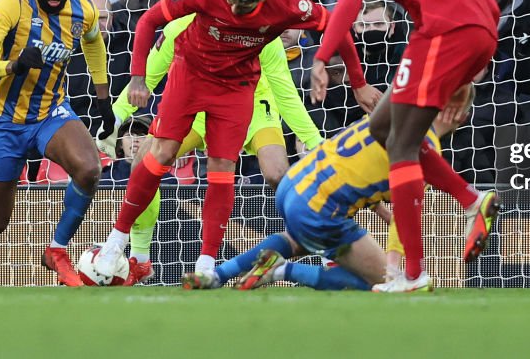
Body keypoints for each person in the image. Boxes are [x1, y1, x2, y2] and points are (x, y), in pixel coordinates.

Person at [93, 0, 380, 280]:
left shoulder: (287, 3)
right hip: (190, 77)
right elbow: (147, 22)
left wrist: (357, 83)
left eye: (244, 7)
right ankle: (119, 245)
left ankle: (205, 264)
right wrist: (135, 80)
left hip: (238, 90)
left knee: (229, 168)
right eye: (231, 0)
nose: (235, 10)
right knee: (156, 154)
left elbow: (334, 26)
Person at [312, 0, 501, 293]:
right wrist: (469, 67)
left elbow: (350, 0)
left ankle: (411, 274)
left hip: (443, 32)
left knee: (400, 143)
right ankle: (471, 200)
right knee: (383, 127)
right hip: (479, 28)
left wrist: (322, 56)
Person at [105, 6, 327, 284]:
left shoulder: (261, 34)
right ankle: (140, 258)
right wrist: (112, 120)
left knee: (278, 175)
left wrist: (313, 140)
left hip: (256, 108)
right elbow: (147, 77)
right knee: (145, 162)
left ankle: (326, 250)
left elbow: (285, 92)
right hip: (197, 107)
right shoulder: (178, 29)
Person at [180, 87, 475, 291]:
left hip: (293, 184)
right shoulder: (423, 148)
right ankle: (281, 271)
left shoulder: (385, 120)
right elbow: (405, 221)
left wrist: (383, 213)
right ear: (460, 115)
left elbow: (357, 172)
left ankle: (216, 275)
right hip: (320, 208)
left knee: (298, 238)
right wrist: (400, 271)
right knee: (382, 280)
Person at [0, 0, 116, 287]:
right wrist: (13, 65)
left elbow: (93, 42)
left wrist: (102, 94)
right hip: (5, 120)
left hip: (50, 112)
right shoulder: (10, 5)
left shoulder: (82, 10)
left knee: (90, 168)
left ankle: (57, 249)